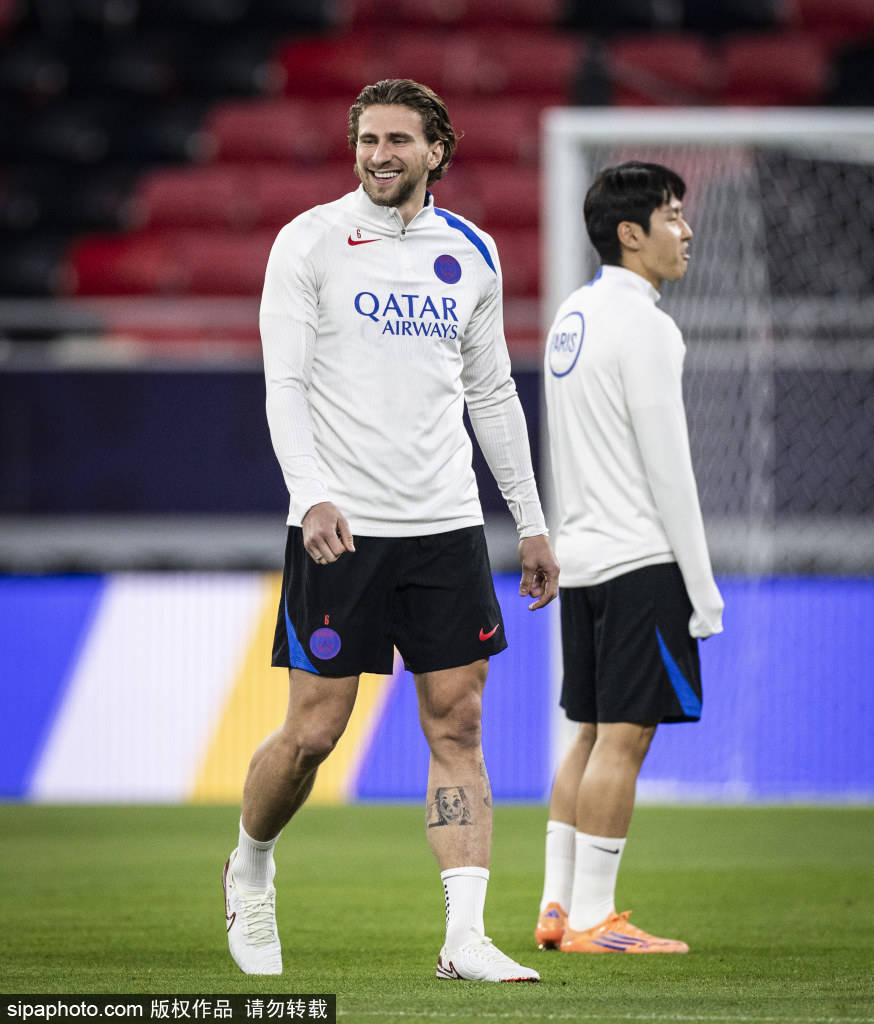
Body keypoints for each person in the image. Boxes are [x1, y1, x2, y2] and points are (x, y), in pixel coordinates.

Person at [222, 78, 559, 983]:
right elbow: (285, 384)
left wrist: (531, 521)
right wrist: (310, 495)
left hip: (446, 527)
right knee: (315, 731)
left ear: (436, 150)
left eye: (398, 140)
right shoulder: (310, 241)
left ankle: (464, 938)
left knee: (460, 723)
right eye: (367, 139)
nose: (379, 155)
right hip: (341, 529)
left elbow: (492, 394)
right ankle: (250, 867)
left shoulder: (472, 251)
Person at [535, 161, 724, 955]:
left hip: (583, 556)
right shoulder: (647, 325)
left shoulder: (571, 317)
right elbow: (669, 468)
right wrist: (702, 588)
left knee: (587, 735)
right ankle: (594, 918)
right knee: (625, 738)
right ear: (630, 233)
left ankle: (557, 908)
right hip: (640, 557)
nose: (686, 231)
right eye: (672, 215)